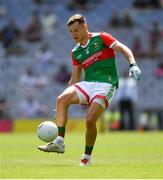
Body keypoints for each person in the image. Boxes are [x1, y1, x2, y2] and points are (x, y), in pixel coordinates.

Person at [38, 14, 141, 166]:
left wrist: (133, 64)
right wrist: (64, 102)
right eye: (71, 31)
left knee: (90, 119)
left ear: (85, 27)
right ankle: (59, 142)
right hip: (88, 84)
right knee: (61, 99)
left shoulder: (101, 38)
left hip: (106, 84)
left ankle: (86, 158)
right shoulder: (76, 52)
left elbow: (122, 47)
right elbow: (74, 79)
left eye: (76, 30)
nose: (74, 34)